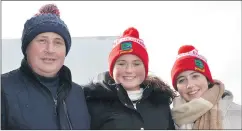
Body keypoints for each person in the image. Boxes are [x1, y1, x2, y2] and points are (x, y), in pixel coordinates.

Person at [1, 4, 90, 130]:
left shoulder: (77, 93)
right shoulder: (4, 88)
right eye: (42, 41)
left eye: (58, 42)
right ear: (27, 48)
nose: (50, 49)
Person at [83, 27, 176, 130]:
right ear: (112, 69)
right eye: (122, 63)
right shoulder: (93, 102)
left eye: (136, 64)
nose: (129, 70)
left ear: (145, 68)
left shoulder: (160, 101)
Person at [170, 45, 241, 129]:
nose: (190, 85)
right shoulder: (169, 121)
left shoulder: (238, 113)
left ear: (207, 80)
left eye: (195, 76)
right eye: (181, 80)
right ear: (177, 88)